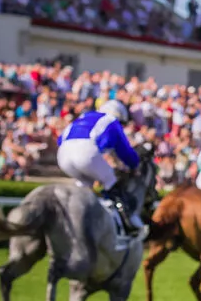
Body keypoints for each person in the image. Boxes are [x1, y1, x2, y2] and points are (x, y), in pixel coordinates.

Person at [56, 100, 143, 233]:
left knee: (83, 187)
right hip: (86, 153)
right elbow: (125, 150)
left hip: (63, 155)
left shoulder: (84, 117)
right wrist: (134, 164)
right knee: (111, 183)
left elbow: (60, 139)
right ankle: (128, 224)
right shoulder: (111, 121)